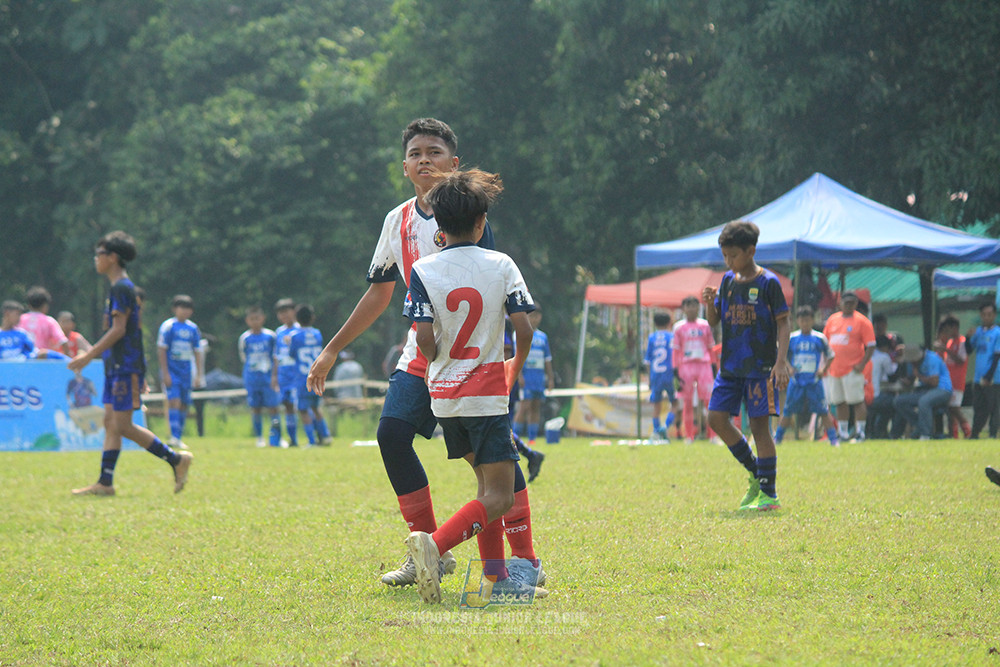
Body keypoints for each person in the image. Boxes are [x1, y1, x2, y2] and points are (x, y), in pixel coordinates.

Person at [305, 118, 543, 589]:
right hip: (423, 351)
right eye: (415, 153)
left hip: (469, 359)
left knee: (489, 463)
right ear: (404, 166)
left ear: (454, 163)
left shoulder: (468, 216)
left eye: (434, 152)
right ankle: (430, 551)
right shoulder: (397, 220)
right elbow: (379, 293)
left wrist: (500, 362)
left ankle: (522, 559)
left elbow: (489, 292)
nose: (424, 160)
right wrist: (332, 349)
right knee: (392, 434)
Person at [401, 168, 546, 603]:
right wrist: (513, 367)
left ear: (439, 225)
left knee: (485, 490)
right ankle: (435, 546)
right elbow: (524, 328)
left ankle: (496, 579)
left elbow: (424, 340)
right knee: (501, 496)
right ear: (482, 223)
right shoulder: (501, 264)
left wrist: (438, 362)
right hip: (485, 397)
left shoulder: (423, 269)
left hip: (445, 399)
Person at [69, 230, 193, 496]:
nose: (96, 258)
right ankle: (105, 482)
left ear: (112, 257)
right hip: (116, 366)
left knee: (122, 425)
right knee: (110, 422)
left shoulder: (122, 287)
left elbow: (119, 330)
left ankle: (176, 459)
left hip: (125, 366)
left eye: (99, 253)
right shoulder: (118, 287)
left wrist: (89, 355)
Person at [702, 220, 791, 511]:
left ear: (750, 251)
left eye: (733, 256)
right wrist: (709, 304)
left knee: (759, 427)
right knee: (716, 418)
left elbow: (784, 323)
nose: (728, 262)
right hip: (730, 367)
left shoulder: (768, 283)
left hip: (760, 369)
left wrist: (780, 362)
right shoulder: (727, 281)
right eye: (725, 256)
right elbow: (715, 321)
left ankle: (769, 494)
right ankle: (756, 471)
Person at [773, 305, 839, 446]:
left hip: (814, 381)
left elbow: (831, 355)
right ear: (797, 321)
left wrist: (823, 369)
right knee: (788, 410)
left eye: (808, 320)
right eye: (802, 320)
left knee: (823, 410)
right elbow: (781, 354)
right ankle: (778, 438)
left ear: (813, 320)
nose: (805, 323)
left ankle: (833, 439)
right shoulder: (792, 338)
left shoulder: (819, 338)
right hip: (796, 381)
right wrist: (789, 368)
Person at [823, 291, 876, 441]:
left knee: (857, 401)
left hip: (852, 368)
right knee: (839, 402)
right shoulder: (833, 320)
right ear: (840, 303)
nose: (849, 305)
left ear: (856, 304)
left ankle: (860, 432)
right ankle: (843, 432)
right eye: (846, 303)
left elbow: (871, 345)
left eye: (852, 303)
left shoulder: (862, 321)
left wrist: (862, 364)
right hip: (834, 369)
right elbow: (825, 342)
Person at [157, 295, 203, 450]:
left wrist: (198, 374)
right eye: (181, 307)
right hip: (172, 370)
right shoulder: (168, 326)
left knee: (184, 404)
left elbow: (197, 351)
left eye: (187, 308)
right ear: (174, 309)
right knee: (174, 401)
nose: (184, 311)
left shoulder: (193, 329)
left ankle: (178, 436)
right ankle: (174, 437)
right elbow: (162, 349)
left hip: (186, 372)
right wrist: (165, 373)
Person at [505, 317, 544, 482]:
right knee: (501, 429)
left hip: (501, 383)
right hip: (501, 382)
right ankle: (530, 454)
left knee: (501, 428)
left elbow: (506, 354)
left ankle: (528, 456)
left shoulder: (501, 321)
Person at [672, 295, 716, 443]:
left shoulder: (705, 325)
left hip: (704, 365)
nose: (691, 309)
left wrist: (713, 365)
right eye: (688, 306)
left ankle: (712, 435)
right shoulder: (679, 327)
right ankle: (689, 435)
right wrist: (675, 369)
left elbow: (710, 347)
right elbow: (676, 350)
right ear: (683, 309)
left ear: (698, 307)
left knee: (709, 400)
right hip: (686, 366)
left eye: (694, 305)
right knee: (687, 401)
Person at [239, 306, 282, 448]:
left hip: (268, 378)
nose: (255, 322)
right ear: (247, 320)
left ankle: (277, 437)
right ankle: (259, 437)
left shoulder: (270, 336)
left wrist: (274, 376)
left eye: (257, 318)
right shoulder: (245, 338)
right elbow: (244, 357)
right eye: (252, 319)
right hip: (252, 378)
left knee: (273, 407)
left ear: (262, 319)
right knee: (255, 408)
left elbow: (275, 357)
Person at [288, 304, 331, 446]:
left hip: (303, 378)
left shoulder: (294, 336)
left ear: (296, 318)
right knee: (316, 407)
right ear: (312, 317)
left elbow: (292, 354)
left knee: (303, 409)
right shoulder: (317, 334)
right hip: (317, 375)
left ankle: (311, 441)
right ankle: (325, 436)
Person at [513, 305, 554, 445]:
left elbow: (547, 359)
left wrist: (550, 378)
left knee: (535, 407)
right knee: (524, 406)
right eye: (531, 316)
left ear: (540, 317)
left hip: (539, 378)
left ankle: (532, 439)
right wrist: (519, 376)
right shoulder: (519, 334)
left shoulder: (543, 337)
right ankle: (514, 439)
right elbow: (516, 356)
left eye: (536, 316)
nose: (534, 319)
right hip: (526, 377)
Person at [891, 345, 951, 440]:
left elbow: (934, 382)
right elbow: (912, 380)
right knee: (899, 401)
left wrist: (918, 375)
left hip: (942, 389)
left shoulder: (932, 359)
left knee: (924, 401)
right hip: (925, 390)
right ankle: (920, 425)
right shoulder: (914, 363)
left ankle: (925, 434)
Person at [965, 302, 1000, 439]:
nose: (986, 317)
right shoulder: (978, 332)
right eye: (984, 315)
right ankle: (975, 434)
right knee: (978, 406)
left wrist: (988, 376)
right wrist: (967, 338)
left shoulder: (997, 332)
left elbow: (997, 356)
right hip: (978, 377)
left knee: (994, 407)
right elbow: (969, 350)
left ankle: (992, 433)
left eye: (989, 314)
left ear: (994, 315)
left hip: (993, 378)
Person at [934, 315, 971, 438]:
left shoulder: (962, 342)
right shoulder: (950, 342)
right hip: (949, 382)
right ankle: (953, 434)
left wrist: (946, 349)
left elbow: (961, 360)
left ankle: (967, 430)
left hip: (958, 381)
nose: (947, 332)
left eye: (948, 329)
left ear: (954, 327)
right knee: (950, 410)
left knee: (954, 407)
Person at [643, 311, 677, 442]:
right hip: (669, 375)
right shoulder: (671, 336)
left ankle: (656, 430)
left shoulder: (651, 338)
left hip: (655, 375)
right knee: (675, 403)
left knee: (656, 405)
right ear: (669, 323)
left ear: (655, 323)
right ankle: (666, 427)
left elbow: (647, 361)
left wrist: (649, 378)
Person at [274, 298, 301, 446]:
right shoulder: (279, 332)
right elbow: (276, 356)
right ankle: (293, 439)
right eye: (280, 313)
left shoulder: (300, 329)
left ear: (294, 312)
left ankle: (316, 436)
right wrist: (274, 376)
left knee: (302, 406)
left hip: (297, 373)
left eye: (286, 312)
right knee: (287, 405)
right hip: (283, 374)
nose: (284, 315)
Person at [866, 335, 901, 439]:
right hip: (875, 396)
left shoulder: (866, 355)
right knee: (897, 403)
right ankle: (892, 433)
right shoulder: (884, 357)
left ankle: (877, 431)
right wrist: (900, 363)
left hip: (864, 396)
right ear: (885, 347)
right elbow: (892, 377)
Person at [19, 286, 69, 356]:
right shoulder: (49, 321)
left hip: (21, 360)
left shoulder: (20, 319)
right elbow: (63, 341)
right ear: (45, 305)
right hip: (41, 360)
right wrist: (67, 359)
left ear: (29, 305)